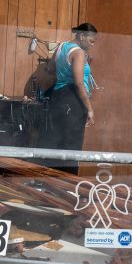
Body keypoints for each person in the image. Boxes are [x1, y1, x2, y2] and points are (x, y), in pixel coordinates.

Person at [42, 22, 98, 173]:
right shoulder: (79, 53)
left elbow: (50, 69)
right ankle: (69, 185)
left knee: (57, 141)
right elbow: (79, 83)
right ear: (81, 36)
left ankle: (52, 182)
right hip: (73, 99)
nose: (92, 45)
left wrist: (63, 72)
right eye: (91, 41)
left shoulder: (61, 47)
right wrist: (90, 108)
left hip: (58, 97)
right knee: (72, 145)